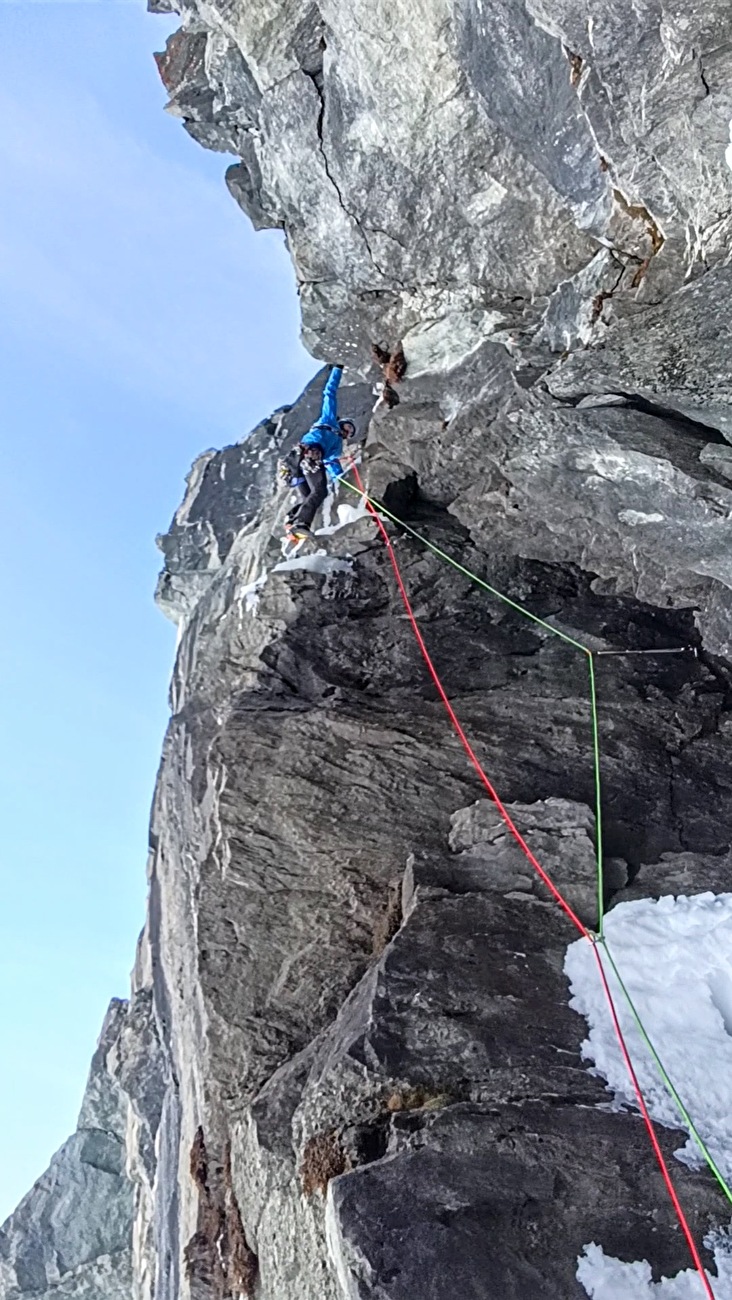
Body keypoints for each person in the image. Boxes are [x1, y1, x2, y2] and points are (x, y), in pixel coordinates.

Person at [281, 366, 356, 539]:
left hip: (301, 461)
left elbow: (333, 467)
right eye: (348, 426)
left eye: (351, 432)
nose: (348, 431)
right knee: (319, 491)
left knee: (310, 496)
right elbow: (329, 393)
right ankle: (301, 523)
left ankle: (292, 519)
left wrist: (345, 482)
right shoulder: (329, 420)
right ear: (341, 423)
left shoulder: (336, 448)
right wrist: (337, 369)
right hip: (308, 454)